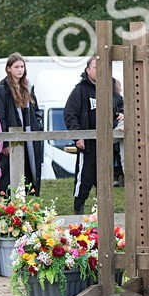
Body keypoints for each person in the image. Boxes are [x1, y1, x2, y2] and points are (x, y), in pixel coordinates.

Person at [0, 52, 43, 195]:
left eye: (22, 67)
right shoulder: (3, 90)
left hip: (30, 138)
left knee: (30, 171)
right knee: (10, 177)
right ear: (8, 68)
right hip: (12, 139)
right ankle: (10, 207)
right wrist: (5, 143)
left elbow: (36, 111)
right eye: (16, 67)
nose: (20, 70)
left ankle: (30, 204)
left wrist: (38, 125)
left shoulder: (28, 87)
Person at [63, 56, 100, 214]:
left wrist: (121, 114)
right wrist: (78, 136)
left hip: (106, 145)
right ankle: (79, 213)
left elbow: (121, 106)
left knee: (104, 181)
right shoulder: (80, 90)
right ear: (88, 70)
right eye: (96, 67)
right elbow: (70, 115)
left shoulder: (110, 88)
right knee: (83, 179)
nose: (100, 70)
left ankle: (103, 215)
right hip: (88, 145)